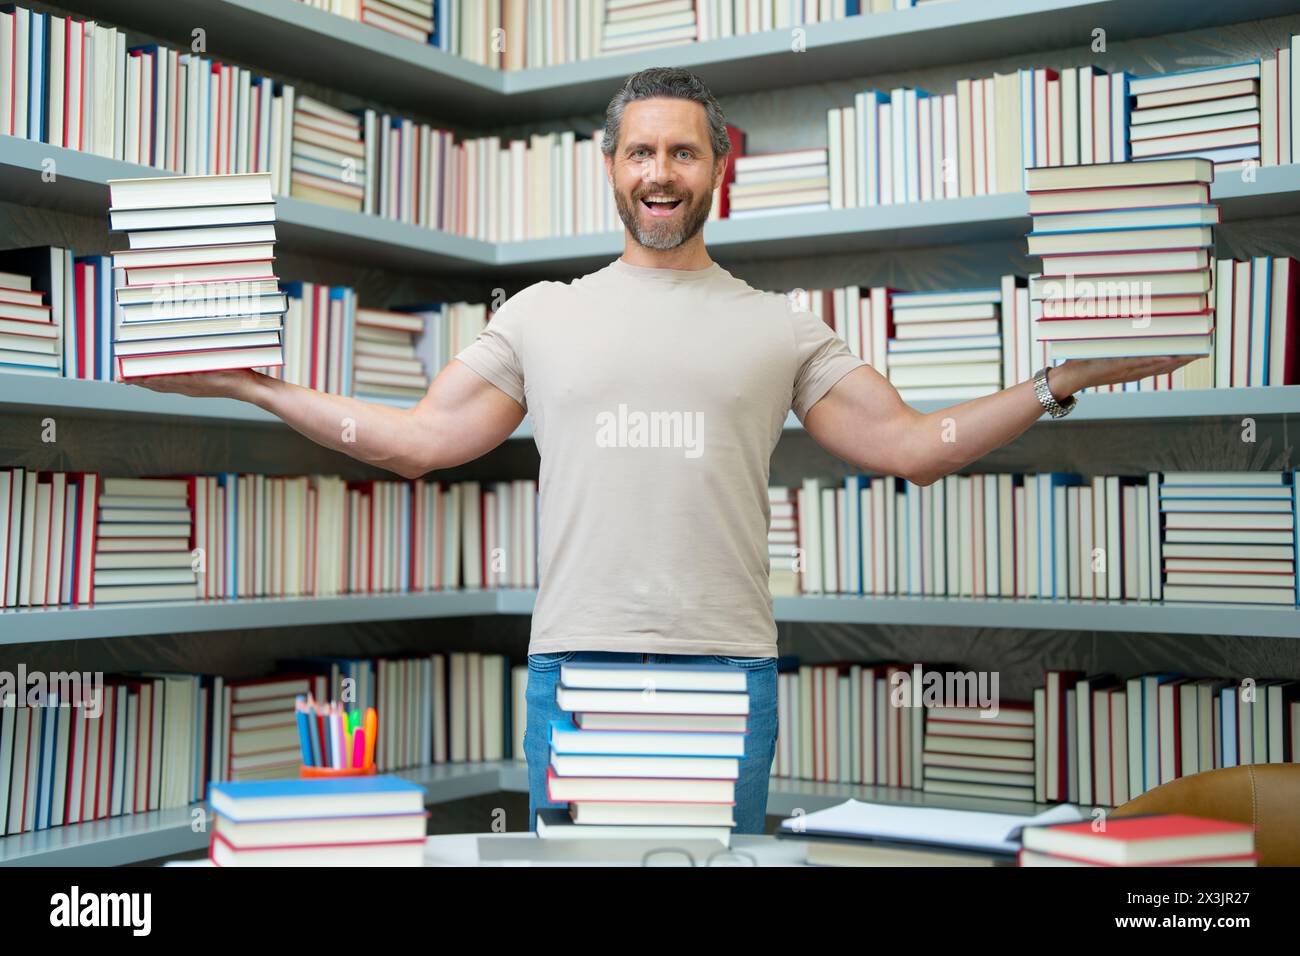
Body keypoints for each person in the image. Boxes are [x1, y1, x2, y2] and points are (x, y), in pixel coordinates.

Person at [132, 67, 1195, 834]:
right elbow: (417, 442)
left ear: (717, 166)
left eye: (682, 150)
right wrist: (253, 384)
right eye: (640, 150)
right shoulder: (541, 314)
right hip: (577, 667)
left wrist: (1059, 382)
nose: (659, 171)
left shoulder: (782, 324)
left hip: (725, 671)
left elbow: (912, 447)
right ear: (610, 166)